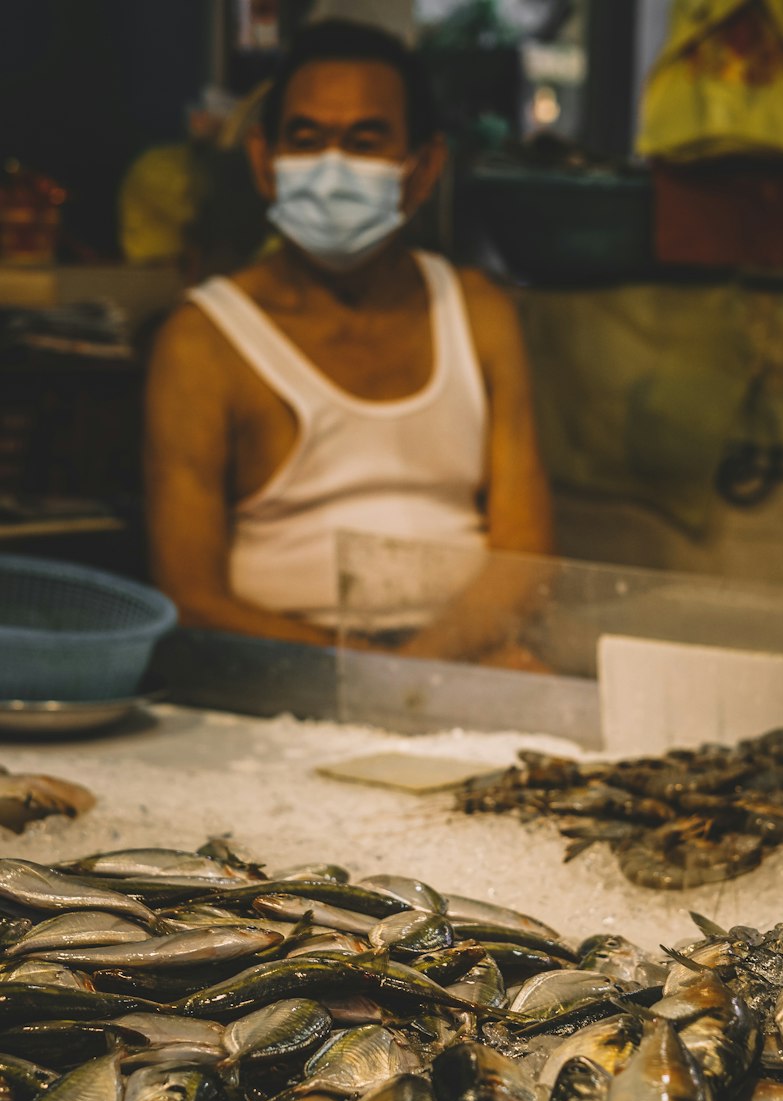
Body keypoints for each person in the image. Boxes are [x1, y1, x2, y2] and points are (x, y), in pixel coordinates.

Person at [144, 19, 554, 658]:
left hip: (472, 663)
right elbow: (192, 598)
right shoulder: (202, 344)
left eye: (365, 142)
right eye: (305, 140)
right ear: (265, 162)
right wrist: (369, 679)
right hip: (279, 682)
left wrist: (419, 677)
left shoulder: (479, 314)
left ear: (421, 170)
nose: (332, 169)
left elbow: (523, 555)